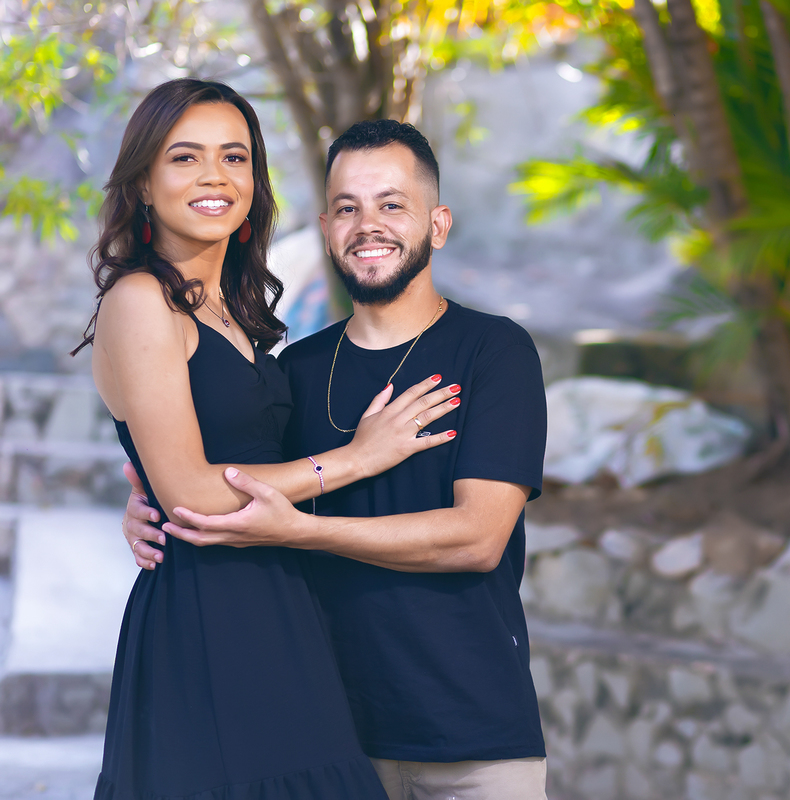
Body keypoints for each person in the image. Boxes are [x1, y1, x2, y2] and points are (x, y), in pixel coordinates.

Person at [123, 119, 550, 800]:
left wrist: (303, 530)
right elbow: (232, 478)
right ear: (326, 230)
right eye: (347, 208)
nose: (367, 224)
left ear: (438, 224)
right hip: (327, 736)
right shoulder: (293, 370)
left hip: (470, 738)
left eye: (392, 204)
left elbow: (476, 538)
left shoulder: (493, 351)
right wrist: (151, 499)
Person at [81, 79, 461, 799]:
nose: (215, 177)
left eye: (234, 157)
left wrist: (155, 494)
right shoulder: (139, 299)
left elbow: (215, 464)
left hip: (281, 602)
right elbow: (192, 491)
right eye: (185, 158)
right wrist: (356, 459)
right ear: (143, 184)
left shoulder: (236, 312)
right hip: (206, 615)